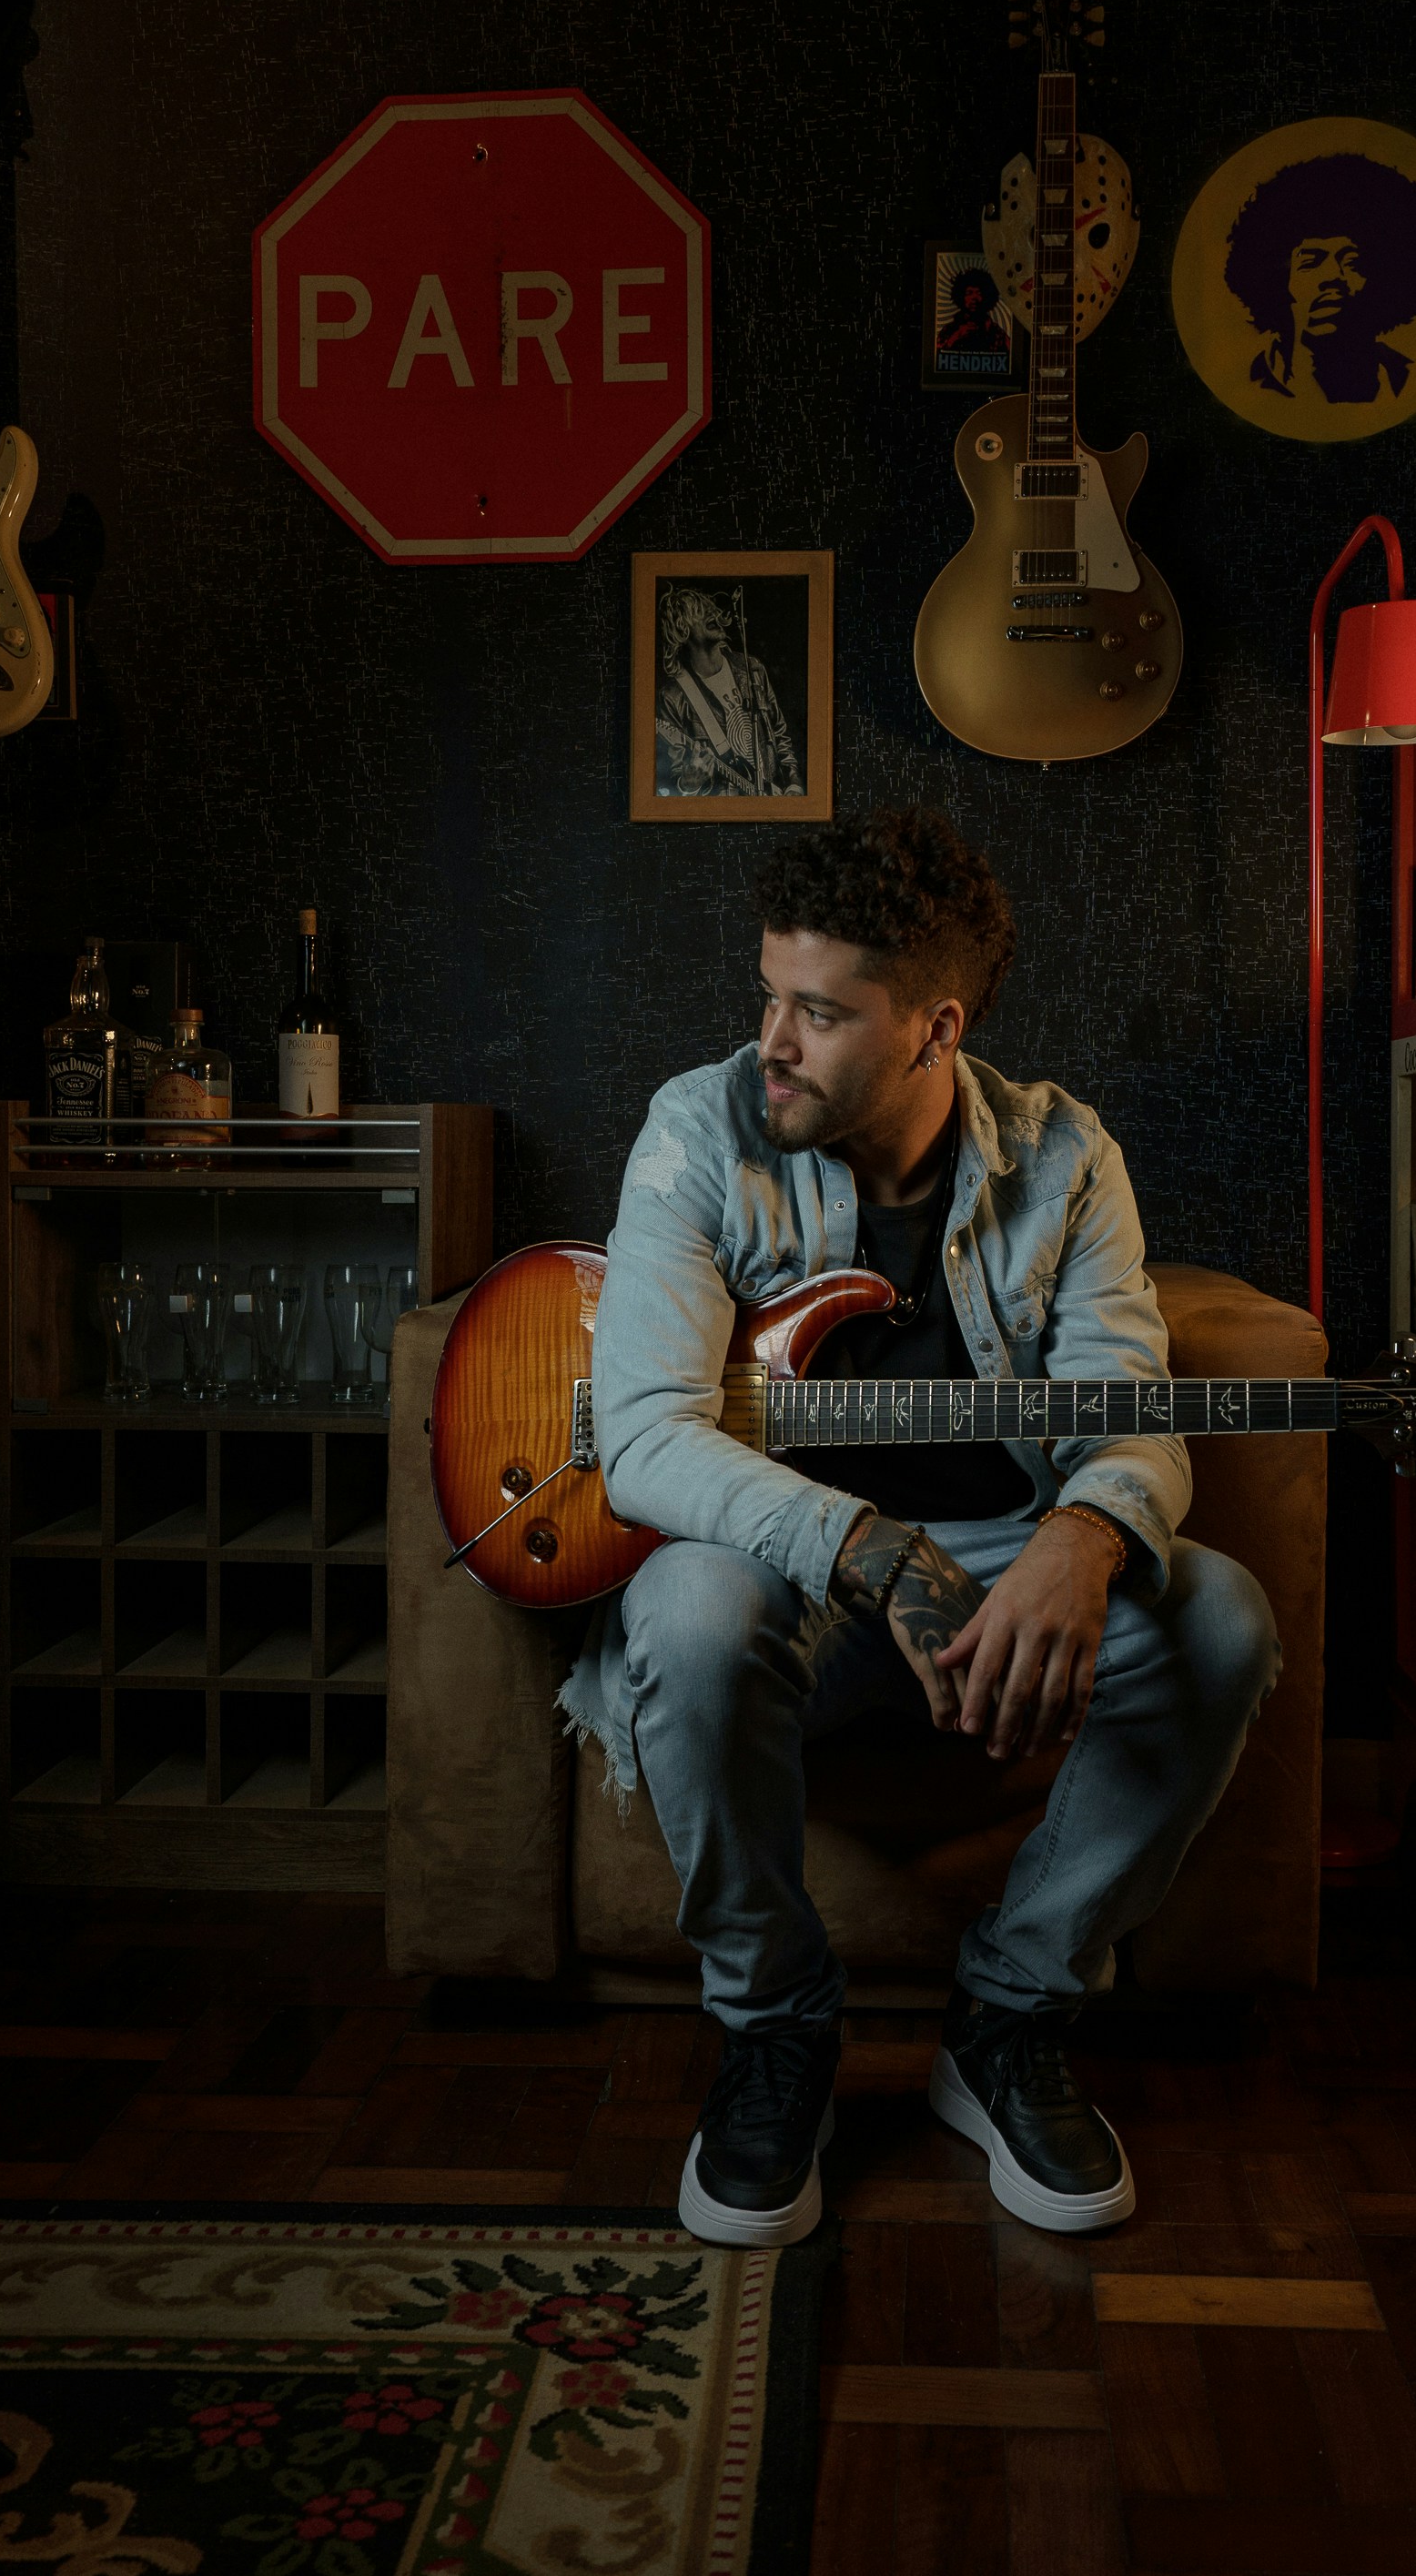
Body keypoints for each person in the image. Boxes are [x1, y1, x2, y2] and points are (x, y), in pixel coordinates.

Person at [561, 806, 1281, 2248]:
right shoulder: (698, 1128)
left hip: (1004, 1573)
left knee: (1219, 1618)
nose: (773, 1037)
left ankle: (1008, 2021)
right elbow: (641, 1435)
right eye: (769, 993)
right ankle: (776, 2037)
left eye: (820, 1012)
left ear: (934, 1027)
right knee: (690, 1615)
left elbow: (1124, 1400)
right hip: (793, 1595)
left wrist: (1086, 1539)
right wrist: (867, 1552)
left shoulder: (1066, 1159)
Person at [1223, 151, 1416, 408]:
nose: (1333, 276)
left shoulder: (1415, 383)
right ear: (1275, 280)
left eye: (1352, 262)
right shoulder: (1242, 388)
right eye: (1311, 261)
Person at [654, 585, 801, 798]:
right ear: (680, 628)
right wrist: (688, 785)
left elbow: (779, 733)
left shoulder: (752, 669)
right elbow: (670, 784)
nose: (713, 613)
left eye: (711, 608)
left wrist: (794, 784)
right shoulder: (673, 697)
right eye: (699, 611)